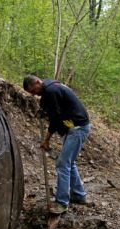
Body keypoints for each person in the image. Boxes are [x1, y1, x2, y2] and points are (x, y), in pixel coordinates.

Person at [23, 75, 91, 214]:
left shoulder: (51, 91)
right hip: (73, 126)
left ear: (37, 82)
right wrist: (44, 111)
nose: (34, 95)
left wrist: (47, 139)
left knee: (62, 163)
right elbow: (55, 109)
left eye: (33, 91)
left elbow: (55, 119)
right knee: (69, 163)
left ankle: (61, 203)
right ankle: (79, 195)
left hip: (77, 128)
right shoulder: (50, 87)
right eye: (31, 93)